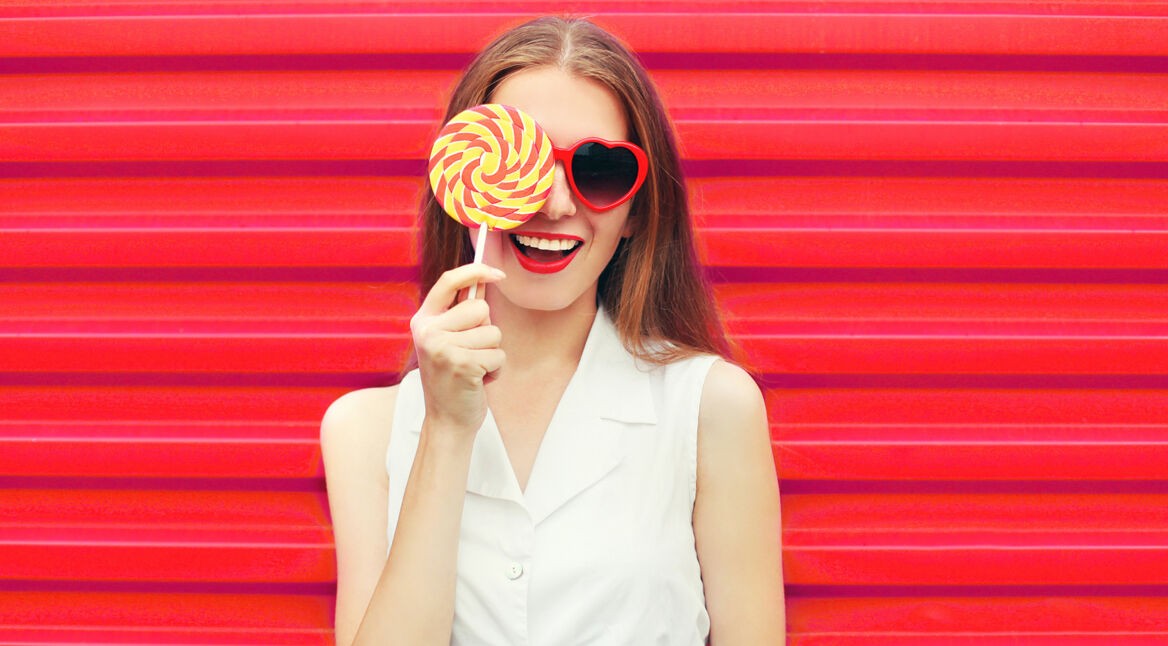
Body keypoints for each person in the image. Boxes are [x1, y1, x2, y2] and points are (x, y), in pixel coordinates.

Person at [321, 16, 785, 645]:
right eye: (525, 162)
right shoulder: (366, 431)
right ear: (466, 180)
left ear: (634, 214)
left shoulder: (710, 407)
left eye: (597, 170)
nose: (557, 204)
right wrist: (448, 431)